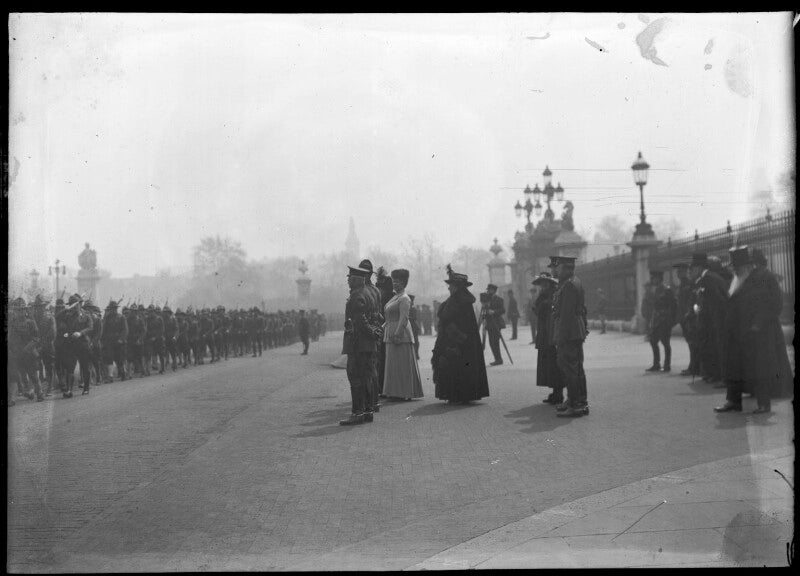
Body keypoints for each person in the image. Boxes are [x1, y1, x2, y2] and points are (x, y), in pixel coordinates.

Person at [715, 246, 793, 414]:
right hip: (737, 333)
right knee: (734, 366)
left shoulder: (764, 277)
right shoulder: (738, 279)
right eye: (734, 267)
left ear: (748, 266)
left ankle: (764, 404)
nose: (735, 270)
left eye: (738, 267)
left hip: (758, 332)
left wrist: (758, 324)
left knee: (759, 368)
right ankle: (733, 401)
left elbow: (775, 304)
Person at [432, 265, 489, 404]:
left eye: (451, 285)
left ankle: (461, 395)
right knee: (452, 366)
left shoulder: (461, 301)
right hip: (453, 339)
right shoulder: (456, 300)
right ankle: (455, 394)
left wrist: (455, 336)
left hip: (460, 341)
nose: (449, 288)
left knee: (458, 366)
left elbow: (461, 323)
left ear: (458, 287)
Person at [340, 265, 381, 425]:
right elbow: (377, 317)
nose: (348, 281)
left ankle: (357, 413)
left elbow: (359, 320)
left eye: (349, 278)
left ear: (356, 279)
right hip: (368, 344)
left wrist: (371, 333)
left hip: (358, 343)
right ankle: (368, 411)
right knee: (367, 377)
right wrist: (375, 333)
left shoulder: (357, 295)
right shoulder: (369, 292)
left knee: (355, 377)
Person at [550, 256, 589, 418]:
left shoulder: (569, 285)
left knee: (570, 368)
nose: (556, 271)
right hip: (575, 330)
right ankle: (577, 400)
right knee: (576, 368)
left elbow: (566, 314)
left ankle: (576, 404)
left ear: (565, 268)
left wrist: (561, 336)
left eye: (558, 268)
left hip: (569, 331)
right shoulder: (573, 282)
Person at [382, 270, 424, 401]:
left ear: (404, 283)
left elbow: (404, 318)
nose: (395, 284)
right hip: (390, 333)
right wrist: (382, 328)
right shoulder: (395, 297)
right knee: (393, 365)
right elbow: (389, 317)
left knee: (401, 365)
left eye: (399, 282)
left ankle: (403, 393)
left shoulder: (404, 298)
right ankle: (395, 392)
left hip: (400, 336)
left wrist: (397, 334)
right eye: (394, 281)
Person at [688, 252, 728, 384]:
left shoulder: (708, 279)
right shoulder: (708, 278)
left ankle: (722, 377)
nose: (692, 271)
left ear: (699, 267)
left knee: (718, 348)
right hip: (712, 319)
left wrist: (705, 313)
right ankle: (715, 375)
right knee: (712, 347)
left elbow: (717, 300)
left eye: (693, 268)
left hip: (716, 320)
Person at [532, 272, 563, 404]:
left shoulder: (553, 295)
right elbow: (536, 310)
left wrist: (542, 304)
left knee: (554, 364)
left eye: (545, 283)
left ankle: (558, 393)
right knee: (548, 365)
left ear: (550, 283)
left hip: (551, 334)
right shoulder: (543, 295)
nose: (542, 286)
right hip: (544, 334)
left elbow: (550, 311)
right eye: (541, 283)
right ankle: (555, 392)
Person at [645, 270, 678, 372]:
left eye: (654, 278)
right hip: (656, 320)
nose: (652, 280)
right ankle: (656, 364)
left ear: (659, 278)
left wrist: (671, 320)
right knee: (653, 341)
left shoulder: (666, 290)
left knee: (665, 342)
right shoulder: (655, 291)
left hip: (665, 320)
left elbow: (673, 305)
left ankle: (667, 365)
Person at [673, 263, 700, 377]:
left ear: (685, 272)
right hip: (684, 318)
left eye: (680, 271)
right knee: (690, 343)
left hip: (689, 318)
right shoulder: (682, 285)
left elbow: (691, 301)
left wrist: (688, 315)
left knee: (692, 343)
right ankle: (693, 366)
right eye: (678, 272)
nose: (678, 273)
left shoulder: (689, 284)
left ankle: (694, 367)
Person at [101, 300, 128, 382]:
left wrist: (121, 339)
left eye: (115, 308)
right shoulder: (107, 318)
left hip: (119, 342)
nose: (113, 310)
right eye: (112, 308)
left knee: (120, 359)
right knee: (109, 359)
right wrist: (103, 341)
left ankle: (123, 373)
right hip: (109, 342)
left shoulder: (121, 317)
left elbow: (125, 330)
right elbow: (103, 330)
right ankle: (110, 376)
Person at [483, 283, 506, 366]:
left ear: (494, 290)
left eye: (490, 290)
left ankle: (499, 359)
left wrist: (494, 311)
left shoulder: (499, 299)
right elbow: (485, 312)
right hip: (489, 324)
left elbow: (503, 310)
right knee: (491, 342)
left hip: (496, 323)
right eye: (488, 290)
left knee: (495, 342)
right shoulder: (486, 300)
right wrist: (484, 308)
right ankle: (497, 358)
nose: (488, 291)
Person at [408, 294, 421, 360]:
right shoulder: (406, 308)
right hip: (409, 326)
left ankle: (416, 353)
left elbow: (414, 317)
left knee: (416, 341)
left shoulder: (413, 309)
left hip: (413, 326)